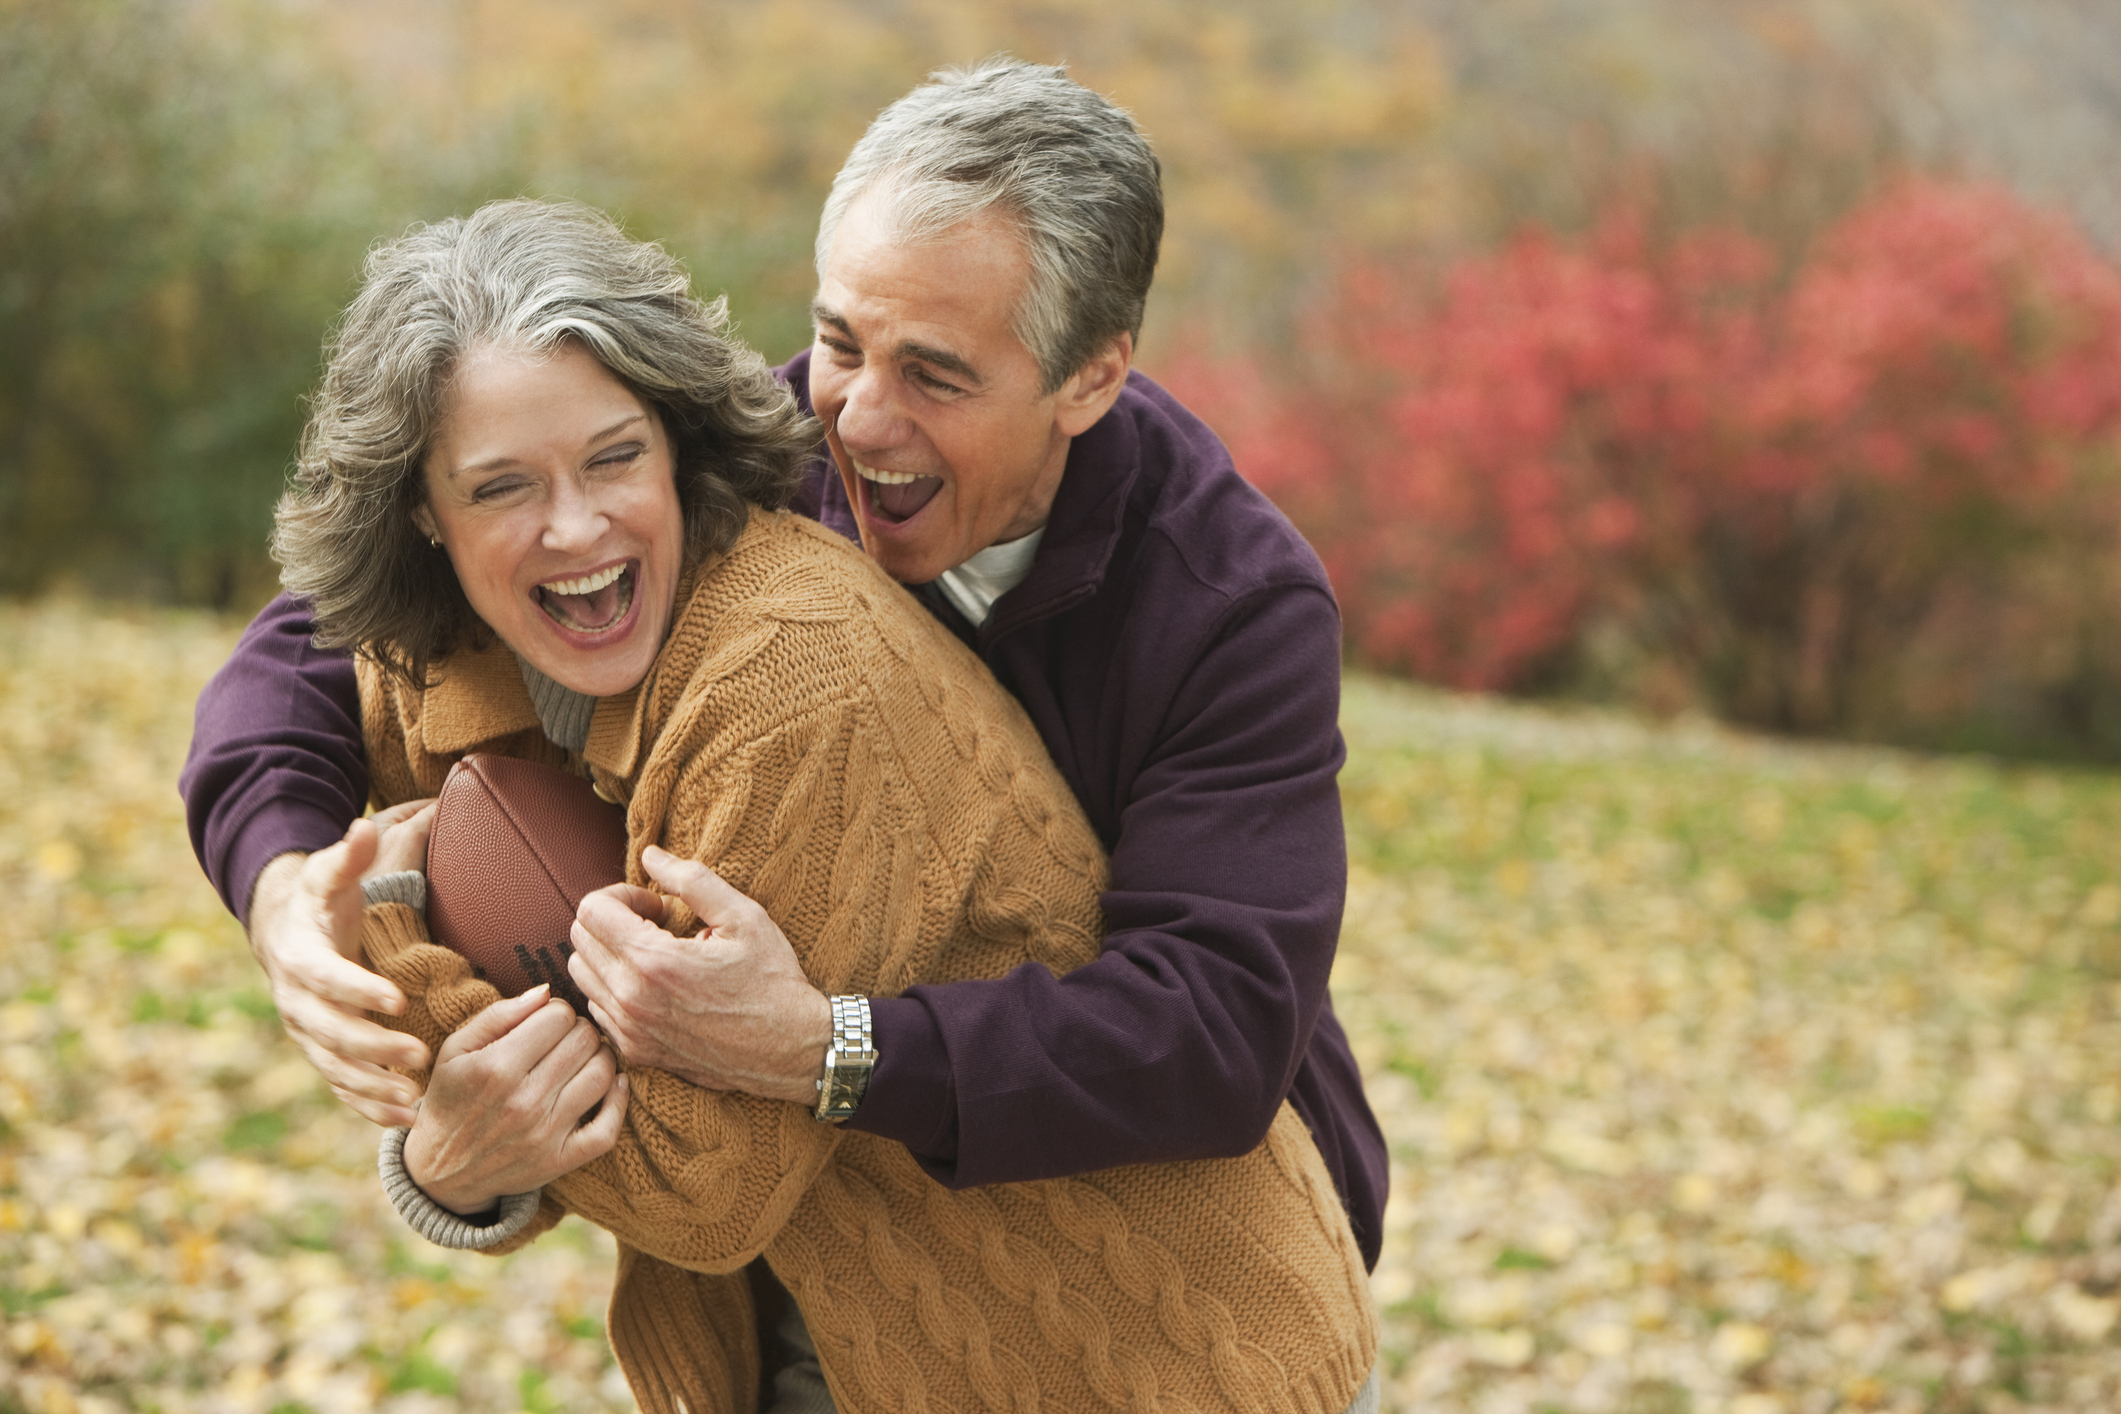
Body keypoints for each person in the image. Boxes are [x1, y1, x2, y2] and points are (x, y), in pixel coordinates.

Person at [184, 56, 1386, 1284]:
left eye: (935, 372)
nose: (857, 418)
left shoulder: (1231, 602)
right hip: (823, 1277)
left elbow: (1212, 1027)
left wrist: (827, 1046)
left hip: (1183, 1274)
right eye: (837, 340)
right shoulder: (749, 462)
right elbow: (321, 635)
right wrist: (282, 887)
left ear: (1090, 375)